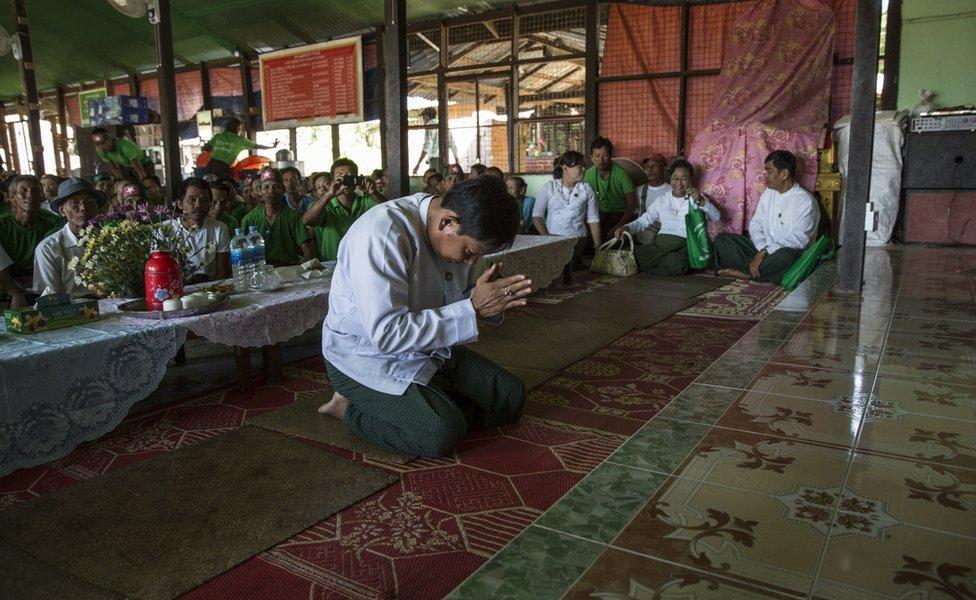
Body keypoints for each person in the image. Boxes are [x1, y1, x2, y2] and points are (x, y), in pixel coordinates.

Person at [317, 176, 531, 457]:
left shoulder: (457, 233)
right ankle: (348, 408)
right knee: (440, 433)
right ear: (447, 223)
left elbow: (462, 299)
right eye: (468, 252)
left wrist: (491, 301)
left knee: (510, 398)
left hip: (429, 349)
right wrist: (473, 309)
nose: (470, 262)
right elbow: (387, 334)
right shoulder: (381, 235)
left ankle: (428, 402)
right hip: (364, 356)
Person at [714, 150, 821, 283]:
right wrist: (762, 248)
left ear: (784, 174)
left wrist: (766, 252)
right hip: (762, 248)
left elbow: (799, 240)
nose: (765, 175)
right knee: (722, 240)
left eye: (769, 171)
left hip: (784, 253)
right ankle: (757, 270)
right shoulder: (769, 193)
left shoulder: (805, 201)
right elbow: (756, 224)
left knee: (787, 258)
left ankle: (747, 273)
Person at [614, 160, 720, 276]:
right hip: (662, 243)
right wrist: (626, 228)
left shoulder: (697, 198)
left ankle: (647, 267)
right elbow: (644, 221)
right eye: (675, 178)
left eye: (684, 178)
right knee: (672, 261)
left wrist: (700, 200)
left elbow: (717, 217)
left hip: (686, 244)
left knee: (677, 263)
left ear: (691, 179)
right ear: (670, 178)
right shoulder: (662, 200)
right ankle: (657, 263)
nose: (679, 183)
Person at [33, 178, 108, 297]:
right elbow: (49, 297)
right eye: (75, 203)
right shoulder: (48, 249)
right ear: (62, 211)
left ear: (97, 207)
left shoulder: (111, 241)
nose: (83, 208)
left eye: (89, 201)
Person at [532, 151, 602, 269]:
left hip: (577, 241)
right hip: (552, 240)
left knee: (565, 267)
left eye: (584, 166)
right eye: (580, 166)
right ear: (565, 168)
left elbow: (593, 219)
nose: (584, 169)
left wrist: (598, 246)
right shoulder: (549, 187)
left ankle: (575, 262)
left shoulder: (586, 189)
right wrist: (546, 239)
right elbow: (537, 216)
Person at [303, 159, 378, 262]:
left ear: (357, 178)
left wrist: (374, 193)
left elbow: (389, 211)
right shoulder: (325, 205)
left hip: (363, 261)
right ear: (333, 181)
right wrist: (329, 194)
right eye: (340, 176)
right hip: (334, 263)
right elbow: (307, 221)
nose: (345, 180)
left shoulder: (366, 201)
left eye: (350, 176)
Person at [241, 169, 315, 266]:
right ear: (260, 191)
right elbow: (242, 254)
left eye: (276, 187)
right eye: (266, 187)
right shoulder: (249, 219)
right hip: (261, 271)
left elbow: (306, 248)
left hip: (289, 269)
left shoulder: (292, 216)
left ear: (283, 190)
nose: (271, 191)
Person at [164, 178, 231, 283]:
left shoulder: (219, 229)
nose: (198, 205)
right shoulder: (164, 230)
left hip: (209, 289)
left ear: (209, 204)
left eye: (204, 201)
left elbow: (223, 272)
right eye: (192, 200)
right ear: (180, 204)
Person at [0, 175, 62, 277]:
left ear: (41, 196)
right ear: (12, 196)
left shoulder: (52, 221)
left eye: (35, 191)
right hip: (9, 280)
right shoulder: (3, 225)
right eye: (23, 191)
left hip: (44, 276)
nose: (30, 195)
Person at [584, 136, 637, 239]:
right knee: (589, 239)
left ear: (611, 155)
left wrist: (619, 225)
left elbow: (632, 204)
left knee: (612, 238)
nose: (601, 160)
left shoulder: (621, 174)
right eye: (597, 156)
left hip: (620, 213)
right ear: (591, 157)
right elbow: (584, 202)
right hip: (599, 214)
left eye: (605, 155)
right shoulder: (588, 175)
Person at [205, 117, 277, 177]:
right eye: (240, 128)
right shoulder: (240, 140)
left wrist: (217, 151)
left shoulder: (218, 136)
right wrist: (272, 147)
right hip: (223, 167)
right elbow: (257, 146)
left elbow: (206, 147)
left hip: (211, 164)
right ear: (237, 128)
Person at [412, 107, 459, 175]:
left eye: (423, 116)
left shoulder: (429, 126)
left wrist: (418, 164)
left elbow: (427, 146)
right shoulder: (443, 124)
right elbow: (452, 143)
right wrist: (456, 159)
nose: (422, 119)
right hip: (446, 158)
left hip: (435, 159)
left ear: (426, 116)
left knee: (435, 180)